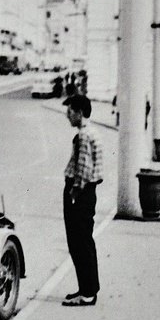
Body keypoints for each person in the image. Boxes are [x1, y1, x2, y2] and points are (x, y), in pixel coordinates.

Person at [61, 94, 103, 307]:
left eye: (70, 111)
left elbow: (83, 170)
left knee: (79, 242)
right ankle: (87, 288)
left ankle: (87, 293)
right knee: (84, 241)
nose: (67, 115)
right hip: (87, 193)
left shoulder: (84, 136)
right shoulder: (91, 132)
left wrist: (74, 194)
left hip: (80, 193)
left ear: (79, 112)